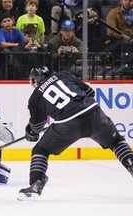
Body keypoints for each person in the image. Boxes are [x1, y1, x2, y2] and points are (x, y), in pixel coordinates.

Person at [17, 67, 133, 201]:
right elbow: (90, 91)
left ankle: (36, 185)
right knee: (116, 142)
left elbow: (37, 127)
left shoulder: (35, 97)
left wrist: (31, 132)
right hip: (93, 113)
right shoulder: (63, 74)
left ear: (35, 81)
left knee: (41, 149)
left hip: (67, 125)